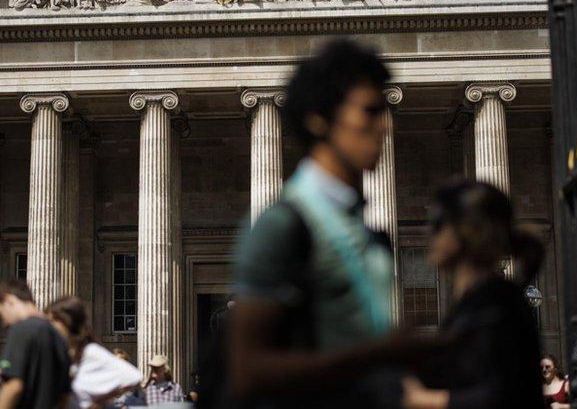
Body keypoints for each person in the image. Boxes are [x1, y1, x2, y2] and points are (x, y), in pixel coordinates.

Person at [229, 38, 405, 406]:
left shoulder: (369, 232)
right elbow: (247, 373)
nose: (384, 128)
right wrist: (377, 356)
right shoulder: (282, 226)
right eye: (370, 113)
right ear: (319, 119)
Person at [401, 180, 545, 408]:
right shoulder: (476, 301)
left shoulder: (497, 303)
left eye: (438, 224)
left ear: (470, 231)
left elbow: (503, 396)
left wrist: (424, 400)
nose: (427, 232)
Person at [45, 297, 141, 408]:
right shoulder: (63, 350)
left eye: (52, 320)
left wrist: (97, 403)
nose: (49, 325)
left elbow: (132, 377)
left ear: (66, 321)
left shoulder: (90, 351)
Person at [0, 280, 71, 409]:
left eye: (1, 315)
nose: (4, 323)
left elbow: (14, 385)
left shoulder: (21, 329)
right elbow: (65, 396)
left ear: (8, 300)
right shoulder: (58, 335)